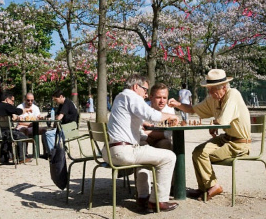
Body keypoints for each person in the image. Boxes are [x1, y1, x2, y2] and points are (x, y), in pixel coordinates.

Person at [168, 69, 251, 201]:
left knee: (202, 155)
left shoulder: (233, 94)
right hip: (225, 138)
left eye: (213, 90)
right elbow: (194, 109)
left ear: (224, 87)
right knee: (197, 152)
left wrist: (215, 122)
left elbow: (223, 120)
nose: (210, 93)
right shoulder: (212, 98)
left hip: (239, 144)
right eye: (209, 89)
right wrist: (178, 104)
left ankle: (214, 186)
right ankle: (204, 188)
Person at [104, 74, 179, 212]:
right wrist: (172, 116)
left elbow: (134, 122)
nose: (145, 94)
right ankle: (159, 200)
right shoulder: (132, 96)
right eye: (145, 90)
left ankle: (143, 197)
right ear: (135, 87)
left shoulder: (119, 97)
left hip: (109, 151)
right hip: (124, 152)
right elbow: (153, 115)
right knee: (169, 157)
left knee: (144, 148)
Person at [0, 93, 32, 163]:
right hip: (3, 133)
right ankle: (21, 157)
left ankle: (11, 156)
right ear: (7, 100)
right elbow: (17, 111)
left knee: (15, 133)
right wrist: (26, 110)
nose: (13, 102)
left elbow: (9, 117)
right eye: (12, 100)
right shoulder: (6, 105)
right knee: (21, 135)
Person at [42, 89, 78, 158]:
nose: (55, 101)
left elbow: (59, 118)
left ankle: (54, 153)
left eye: (56, 100)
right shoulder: (62, 104)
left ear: (61, 96)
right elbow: (56, 115)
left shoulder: (66, 103)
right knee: (45, 132)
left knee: (48, 134)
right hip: (65, 127)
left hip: (70, 129)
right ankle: (49, 152)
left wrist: (53, 118)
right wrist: (46, 117)